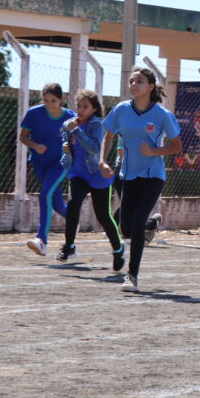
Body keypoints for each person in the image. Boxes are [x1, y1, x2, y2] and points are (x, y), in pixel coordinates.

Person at [100, 67, 182, 293]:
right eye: (132, 81)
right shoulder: (121, 110)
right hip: (128, 174)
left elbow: (176, 146)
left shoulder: (161, 114)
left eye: (139, 81)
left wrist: (153, 152)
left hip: (153, 175)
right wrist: (103, 161)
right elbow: (108, 136)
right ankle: (149, 225)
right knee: (126, 228)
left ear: (151, 87)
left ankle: (132, 276)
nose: (134, 85)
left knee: (135, 225)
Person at [57, 90, 123, 268]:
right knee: (73, 204)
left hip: (97, 174)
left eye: (85, 107)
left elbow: (94, 148)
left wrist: (76, 131)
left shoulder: (97, 124)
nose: (80, 110)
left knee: (103, 216)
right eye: (78, 106)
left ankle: (118, 249)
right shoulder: (69, 124)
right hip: (78, 174)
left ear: (94, 109)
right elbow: (66, 144)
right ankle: (69, 246)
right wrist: (65, 148)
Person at [19, 83, 74, 256]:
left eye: (53, 101)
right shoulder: (33, 113)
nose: (49, 104)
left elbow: (78, 141)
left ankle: (41, 240)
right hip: (39, 162)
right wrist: (35, 146)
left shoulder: (70, 117)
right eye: (46, 100)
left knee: (44, 195)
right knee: (56, 202)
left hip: (60, 164)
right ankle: (73, 219)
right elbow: (23, 137)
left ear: (61, 99)